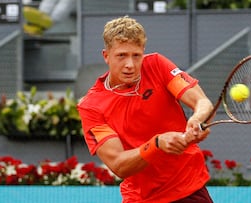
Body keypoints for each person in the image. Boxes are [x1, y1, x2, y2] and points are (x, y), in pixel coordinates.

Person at [77, 16, 214, 203]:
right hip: (141, 197)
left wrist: (197, 119)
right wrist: (156, 145)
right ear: (106, 56)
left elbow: (202, 102)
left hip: (187, 188)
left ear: (143, 52)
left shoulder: (157, 65)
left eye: (136, 56)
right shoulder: (91, 107)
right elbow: (118, 164)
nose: (130, 65)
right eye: (121, 56)